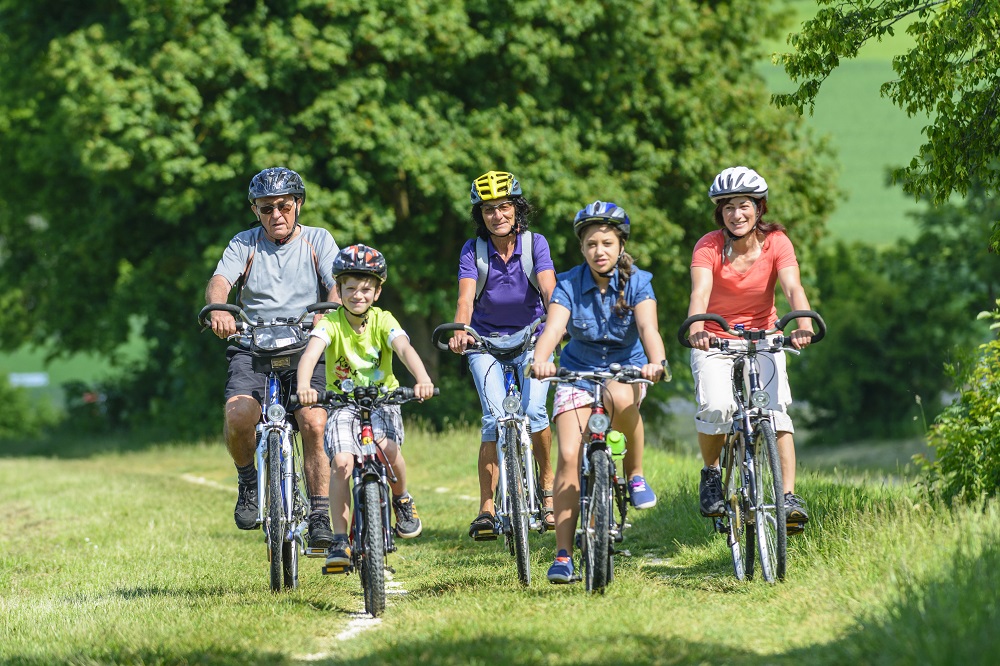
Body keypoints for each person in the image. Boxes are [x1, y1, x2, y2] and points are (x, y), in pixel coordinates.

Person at [531, 201, 667, 584]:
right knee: (569, 457)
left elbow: (648, 329)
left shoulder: (638, 282)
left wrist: (656, 362)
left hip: (627, 368)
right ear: (582, 248)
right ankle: (562, 555)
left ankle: (635, 474)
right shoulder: (569, 283)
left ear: (620, 245)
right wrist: (541, 361)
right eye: (591, 244)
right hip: (576, 372)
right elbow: (554, 329)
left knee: (623, 399)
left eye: (606, 242)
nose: (599, 251)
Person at [205, 167, 339, 550]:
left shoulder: (317, 239)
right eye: (266, 209)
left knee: (314, 421)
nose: (276, 215)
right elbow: (220, 279)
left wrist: (326, 312)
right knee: (238, 415)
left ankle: (318, 512)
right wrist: (219, 307)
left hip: (304, 344)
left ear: (298, 204)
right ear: (255, 210)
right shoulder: (244, 244)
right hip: (252, 343)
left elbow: (334, 282)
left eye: (283, 205)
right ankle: (248, 482)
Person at [685, 166, 815, 534]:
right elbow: (699, 293)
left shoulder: (778, 243)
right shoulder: (709, 245)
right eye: (728, 207)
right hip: (716, 338)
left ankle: (787, 497)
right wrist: (697, 330)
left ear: (759, 208)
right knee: (717, 407)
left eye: (744, 205)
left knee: (774, 413)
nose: (736, 214)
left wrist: (802, 323)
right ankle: (712, 473)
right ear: (719, 213)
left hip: (764, 337)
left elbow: (792, 287)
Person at [295, 244, 435, 568]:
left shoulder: (383, 320)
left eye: (366, 289)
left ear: (377, 291)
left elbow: (404, 348)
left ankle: (401, 498)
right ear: (339, 289)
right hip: (343, 405)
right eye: (351, 288)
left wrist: (422, 378)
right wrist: (304, 387)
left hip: (382, 401)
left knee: (388, 449)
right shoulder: (330, 323)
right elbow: (311, 355)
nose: (359, 295)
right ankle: (340, 540)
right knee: (342, 462)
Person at [448, 170, 557, 540]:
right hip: (485, 342)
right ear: (481, 215)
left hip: (533, 340)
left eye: (504, 207)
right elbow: (465, 299)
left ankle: (546, 487)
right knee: (494, 420)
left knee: (535, 411)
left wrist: (557, 325)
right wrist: (461, 329)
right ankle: (487, 508)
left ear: (517, 209)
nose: (497, 216)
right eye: (489, 210)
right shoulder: (472, 250)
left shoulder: (535, 244)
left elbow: (547, 288)